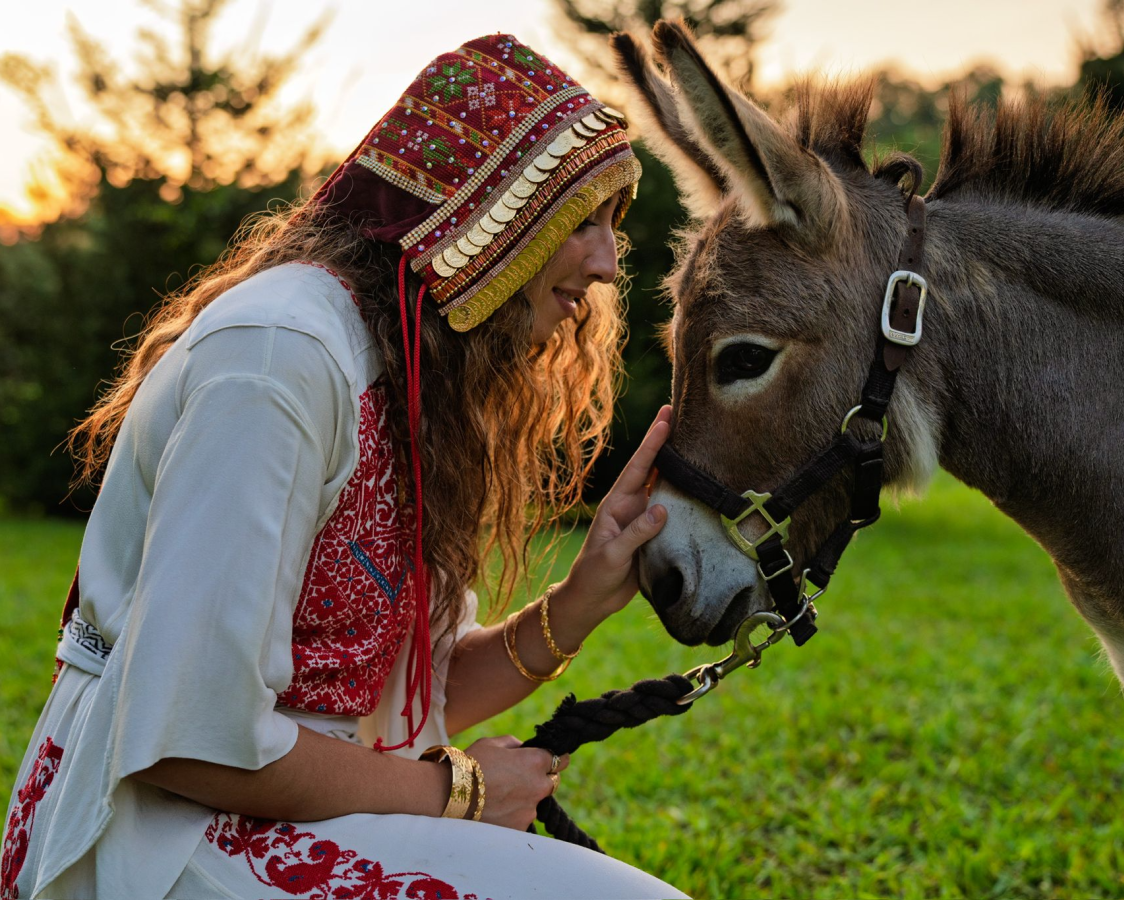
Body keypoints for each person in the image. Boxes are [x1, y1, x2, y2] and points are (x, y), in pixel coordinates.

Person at [0, 33, 685, 900]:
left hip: (271, 809)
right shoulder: (279, 361)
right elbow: (190, 741)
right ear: (486, 211)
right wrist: (460, 792)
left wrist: (579, 601)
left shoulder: (400, 371)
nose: (606, 263)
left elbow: (389, 707)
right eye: (581, 220)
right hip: (150, 835)